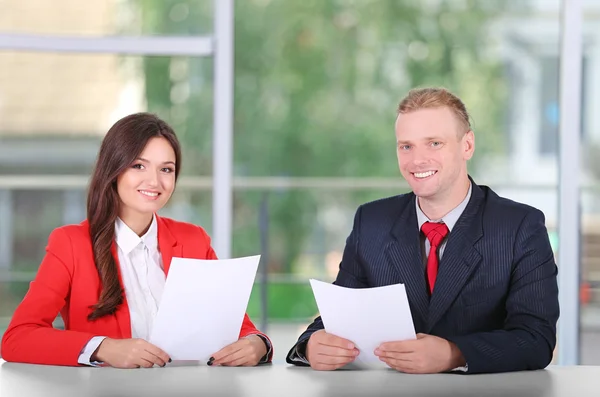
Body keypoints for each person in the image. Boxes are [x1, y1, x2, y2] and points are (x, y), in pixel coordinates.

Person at [286, 87, 559, 374]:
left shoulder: (520, 227)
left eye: (434, 144)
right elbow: (339, 316)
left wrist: (455, 354)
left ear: (467, 145)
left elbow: (536, 340)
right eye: (406, 146)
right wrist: (312, 344)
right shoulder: (371, 221)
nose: (417, 160)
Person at [1, 113, 272, 368]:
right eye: (139, 165)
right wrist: (103, 348)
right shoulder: (71, 244)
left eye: (166, 169)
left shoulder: (193, 240)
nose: (154, 181)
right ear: (114, 170)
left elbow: (240, 327)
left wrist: (258, 344)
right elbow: (17, 338)